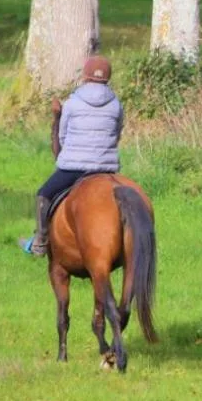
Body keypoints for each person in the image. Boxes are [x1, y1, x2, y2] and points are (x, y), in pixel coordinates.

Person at [20, 55, 124, 257]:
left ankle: (40, 241)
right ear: (108, 78)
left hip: (74, 168)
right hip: (106, 168)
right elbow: (117, 134)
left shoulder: (73, 102)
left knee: (44, 193)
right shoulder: (116, 104)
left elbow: (63, 137)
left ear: (85, 76)